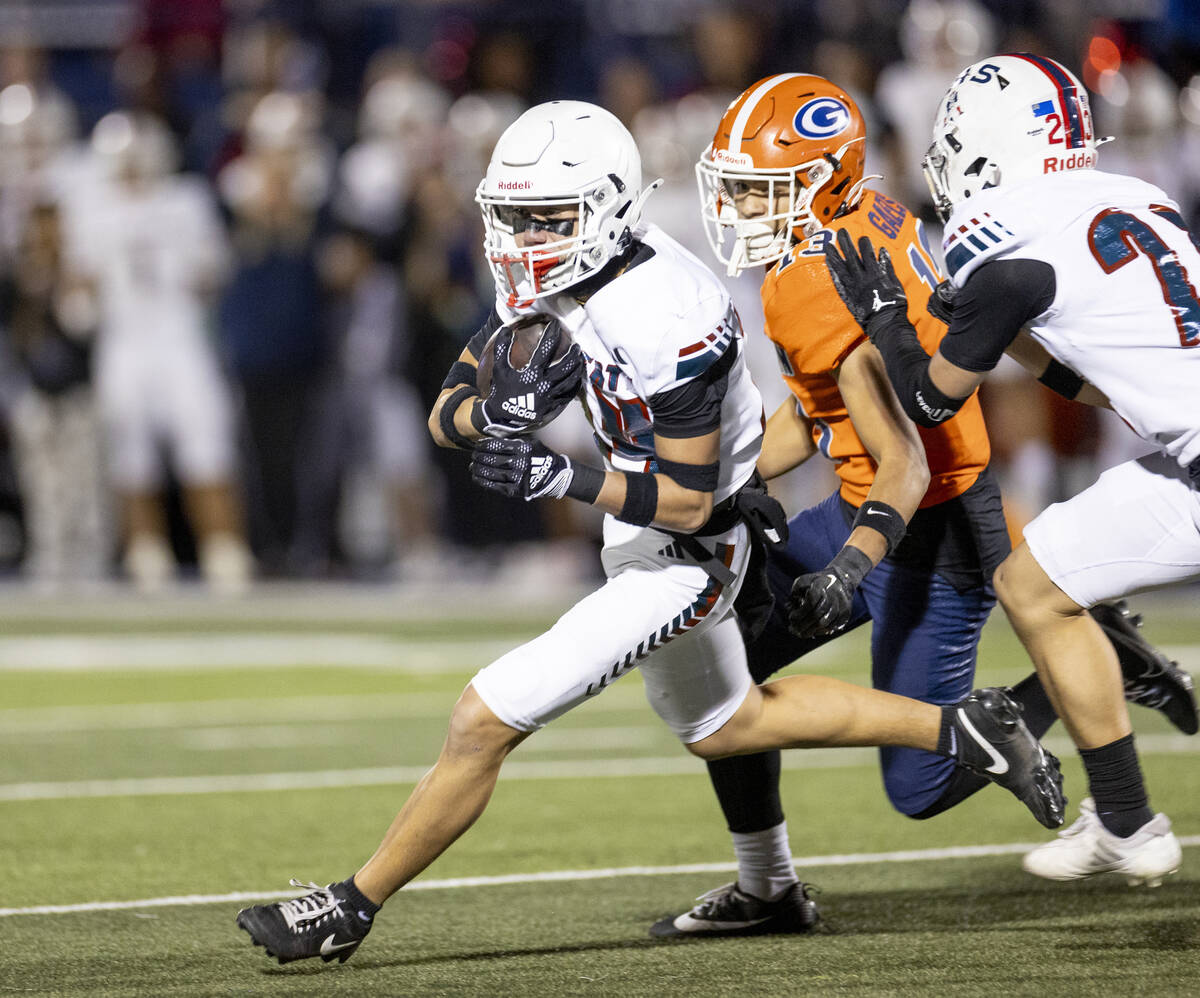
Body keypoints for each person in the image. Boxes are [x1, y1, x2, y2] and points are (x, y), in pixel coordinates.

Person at [235, 100, 1064, 967]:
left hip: (693, 550)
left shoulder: (669, 315)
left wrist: (565, 476)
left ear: (607, 209)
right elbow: (447, 410)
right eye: (512, 217)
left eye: (544, 219)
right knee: (727, 725)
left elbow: (693, 502)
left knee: (483, 719)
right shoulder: (559, 270)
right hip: (644, 532)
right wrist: (493, 412)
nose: (522, 240)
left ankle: (348, 906)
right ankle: (934, 752)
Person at [650, 72, 1198, 939]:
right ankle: (768, 888)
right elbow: (823, 409)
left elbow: (905, 453)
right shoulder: (869, 219)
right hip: (883, 502)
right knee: (729, 675)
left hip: (917, 526)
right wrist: (733, 481)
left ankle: (1084, 670)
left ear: (819, 178)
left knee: (919, 787)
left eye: (757, 190)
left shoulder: (815, 277)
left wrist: (846, 566)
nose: (741, 208)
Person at [822, 53, 1199, 886]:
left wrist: (888, 321)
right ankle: (1130, 826)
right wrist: (1011, 337)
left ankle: (1129, 824)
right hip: (1189, 459)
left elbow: (926, 405)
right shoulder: (1135, 199)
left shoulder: (1005, 239)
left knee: (1037, 587)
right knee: (1034, 585)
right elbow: (1102, 381)